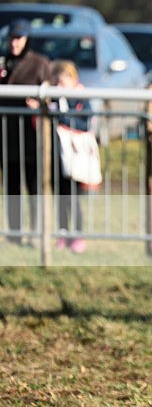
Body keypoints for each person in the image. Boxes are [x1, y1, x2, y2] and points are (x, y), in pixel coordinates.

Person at [0, 18, 52, 240]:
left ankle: (38, 232)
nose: (14, 43)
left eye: (18, 39)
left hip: (31, 137)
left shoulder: (40, 63)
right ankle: (14, 234)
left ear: (27, 39)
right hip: (7, 135)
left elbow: (51, 100)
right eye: (12, 38)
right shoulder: (3, 63)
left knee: (34, 188)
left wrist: (40, 104)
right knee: (11, 188)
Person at [50, 60, 91, 254]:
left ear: (73, 78)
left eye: (65, 78)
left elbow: (85, 123)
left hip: (76, 157)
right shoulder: (55, 99)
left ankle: (77, 236)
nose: (61, 84)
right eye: (58, 80)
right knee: (61, 198)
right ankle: (62, 234)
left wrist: (62, 117)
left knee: (75, 200)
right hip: (58, 156)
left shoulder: (82, 97)